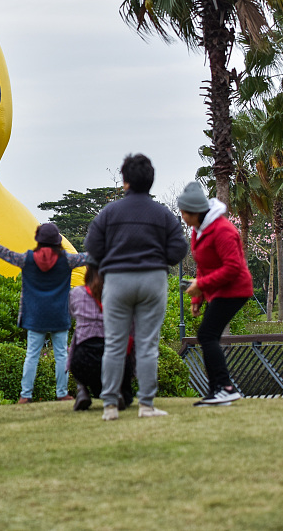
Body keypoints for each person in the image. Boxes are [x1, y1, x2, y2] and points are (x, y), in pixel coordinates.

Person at [86, 154, 188, 421]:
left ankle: (109, 406)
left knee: (115, 344)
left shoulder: (109, 213)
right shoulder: (163, 214)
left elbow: (93, 247)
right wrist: (157, 260)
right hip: (152, 279)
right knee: (147, 345)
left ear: (125, 181)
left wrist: (110, 259)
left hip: (117, 281)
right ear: (151, 182)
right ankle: (146, 405)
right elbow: (179, 248)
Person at [0, 223, 87, 403]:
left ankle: (25, 395)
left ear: (39, 240)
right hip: (59, 315)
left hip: (35, 316)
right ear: (58, 241)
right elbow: (87, 258)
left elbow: (8, 255)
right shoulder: (67, 260)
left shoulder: (27, 259)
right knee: (61, 355)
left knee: (32, 355)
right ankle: (62, 393)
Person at [176, 181, 253, 406]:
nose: (182, 216)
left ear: (194, 212)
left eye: (183, 212)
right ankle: (217, 392)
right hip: (219, 291)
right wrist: (197, 297)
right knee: (207, 335)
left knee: (207, 335)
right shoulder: (198, 231)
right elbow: (203, 266)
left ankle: (225, 388)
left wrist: (202, 285)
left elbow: (233, 268)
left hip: (235, 289)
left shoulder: (223, 230)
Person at [67, 262, 135, 411]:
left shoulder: (77, 293)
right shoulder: (121, 295)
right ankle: (115, 392)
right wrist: (131, 368)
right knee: (128, 397)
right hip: (114, 361)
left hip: (83, 363)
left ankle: (82, 389)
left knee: (80, 336)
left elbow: (71, 313)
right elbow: (131, 332)